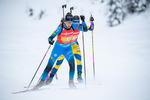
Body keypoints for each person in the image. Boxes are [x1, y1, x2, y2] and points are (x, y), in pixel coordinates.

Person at [32, 13, 87, 90]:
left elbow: (85, 29)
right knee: (49, 66)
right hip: (57, 49)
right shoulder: (60, 28)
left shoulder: (74, 26)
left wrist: (83, 21)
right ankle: (41, 83)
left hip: (68, 49)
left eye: (70, 23)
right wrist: (50, 40)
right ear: (64, 21)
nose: (69, 24)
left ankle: (71, 82)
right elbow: (51, 36)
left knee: (72, 65)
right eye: (67, 22)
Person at [45, 15, 95, 86]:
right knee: (59, 62)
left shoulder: (79, 27)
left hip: (74, 45)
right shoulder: (70, 26)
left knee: (79, 60)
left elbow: (90, 28)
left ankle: (79, 77)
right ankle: (50, 77)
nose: (77, 24)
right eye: (75, 23)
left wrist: (91, 22)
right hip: (67, 46)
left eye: (78, 23)